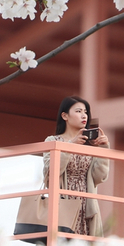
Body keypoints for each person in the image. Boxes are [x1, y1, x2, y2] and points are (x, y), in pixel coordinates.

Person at [42, 96, 110, 237]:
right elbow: (51, 171)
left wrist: (104, 149)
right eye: (78, 111)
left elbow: (99, 177)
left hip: (86, 204)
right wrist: (71, 145)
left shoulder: (90, 145)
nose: (84, 115)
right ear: (65, 116)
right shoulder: (53, 141)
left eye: (85, 112)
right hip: (62, 201)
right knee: (61, 243)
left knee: (86, 244)